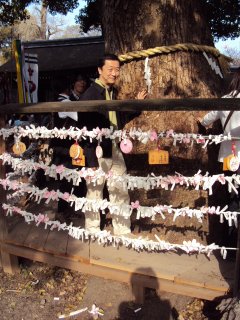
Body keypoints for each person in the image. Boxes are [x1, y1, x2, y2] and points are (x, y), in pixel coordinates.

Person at [79, 53, 147, 236]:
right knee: (95, 190)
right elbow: (84, 129)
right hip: (98, 150)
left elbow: (118, 117)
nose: (114, 73)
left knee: (120, 188)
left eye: (117, 70)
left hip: (115, 147)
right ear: (99, 70)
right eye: (110, 69)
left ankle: (122, 229)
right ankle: (92, 230)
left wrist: (137, 105)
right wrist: (91, 160)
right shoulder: (90, 95)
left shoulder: (111, 92)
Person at [198, 69, 240, 251]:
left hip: (228, 156)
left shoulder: (225, 99)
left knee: (232, 194)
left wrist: (200, 121)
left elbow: (206, 119)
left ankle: (229, 235)